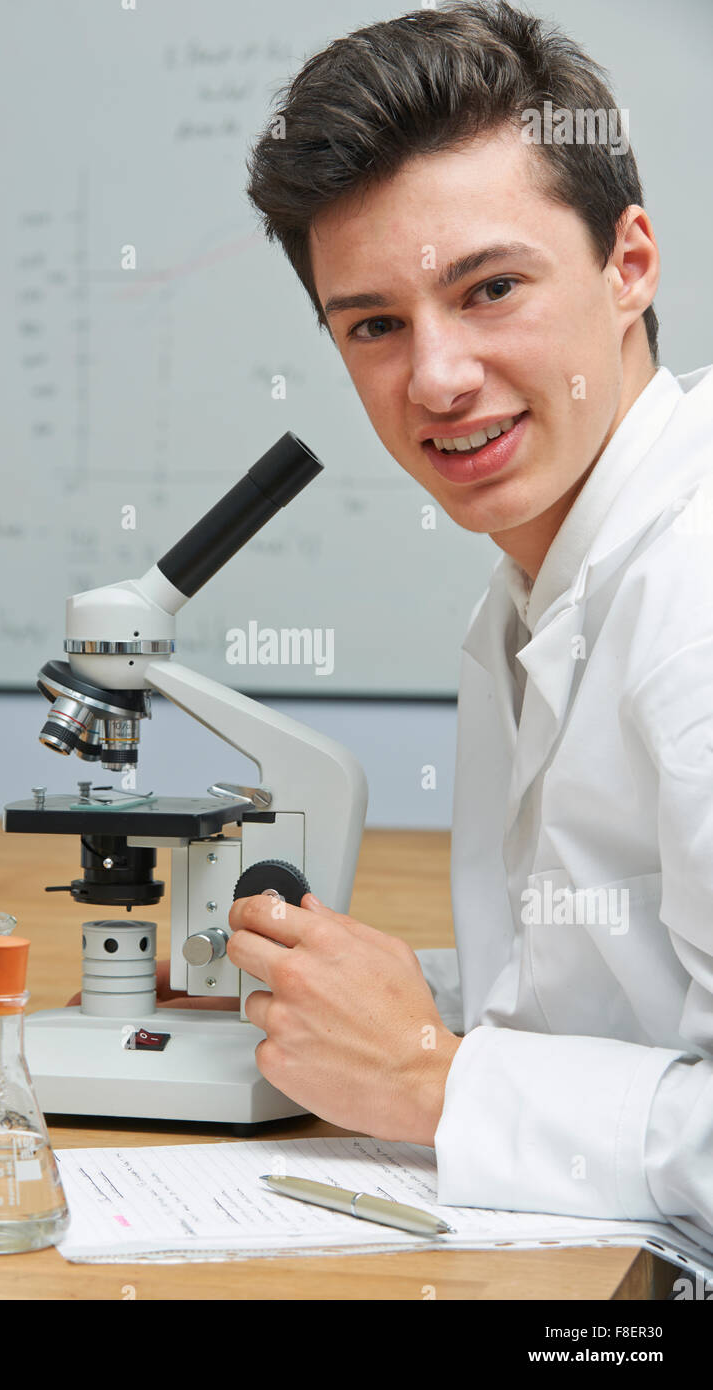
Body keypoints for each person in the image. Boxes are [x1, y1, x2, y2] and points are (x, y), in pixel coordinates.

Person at [214, 1, 713, 1255]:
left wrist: (432, 1076)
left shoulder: (691, 602)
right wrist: (360, 999)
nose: (433, 378)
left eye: (487, 289)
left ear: (628, 264)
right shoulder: (537, 590)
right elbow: (613, 1004)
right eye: (373, 323)